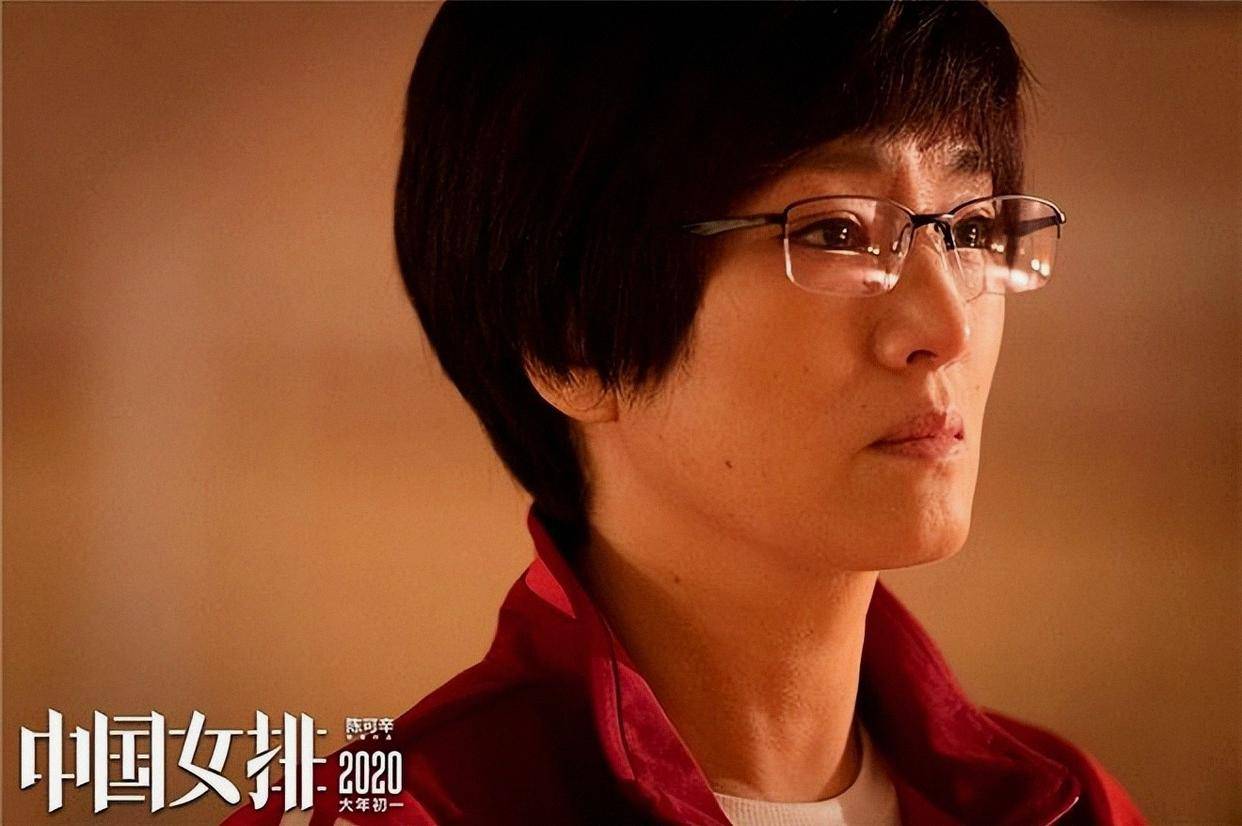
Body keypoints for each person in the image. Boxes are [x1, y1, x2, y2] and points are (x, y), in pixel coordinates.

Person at [224, 2, 1147, 824]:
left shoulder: (1070, 805)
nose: (948, 326)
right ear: (575, 343)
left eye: (972, 228)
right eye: (835, 231)